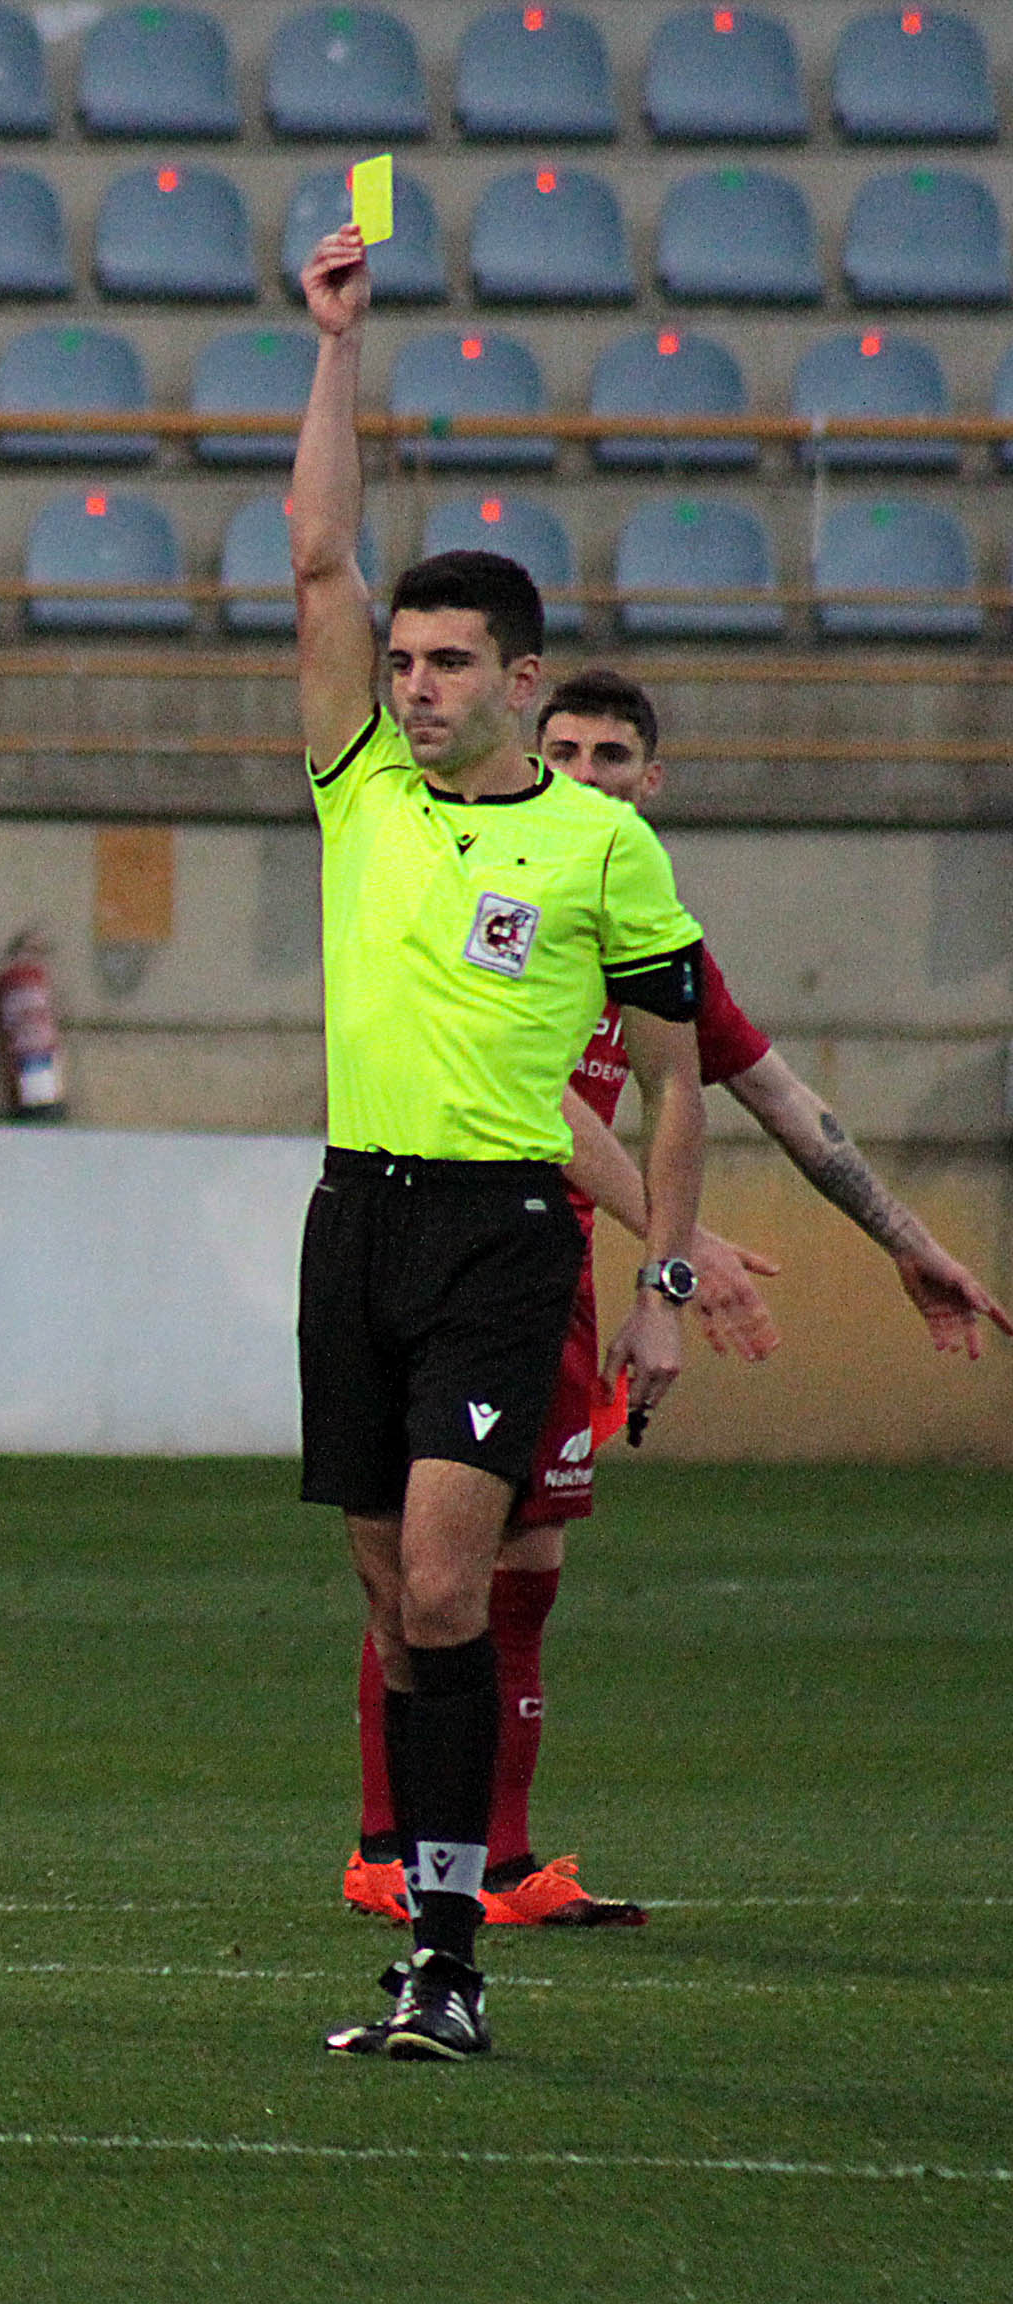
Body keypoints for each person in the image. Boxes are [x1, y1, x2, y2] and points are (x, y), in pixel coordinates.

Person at [341, 671, 1013, 1928]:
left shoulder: (653, 939)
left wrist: (908, 1243)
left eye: (613, 756)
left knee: (525, 1561)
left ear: (654, 784)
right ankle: (399, 1847)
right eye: (567, 751)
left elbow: (778, 1095)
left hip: (555, 1268)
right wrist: (681, 1247)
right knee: (438, 1566)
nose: (590, 774)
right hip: (464, 1251)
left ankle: (498, 1859)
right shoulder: (502, 898)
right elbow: (520, 1107)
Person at [288, 224, 714, 2062]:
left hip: (499, 1234)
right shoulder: (360, 792)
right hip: (353, 1223)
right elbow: (313, 547)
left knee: (455, 1582)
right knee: (393, 1596)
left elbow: (682, 1079)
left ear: (524, 683)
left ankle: (448, 1955)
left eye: (448, 662)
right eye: (398, 656)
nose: (411, 683)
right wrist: (335, 346)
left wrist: (667, 1286)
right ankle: (431, 1919)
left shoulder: (602, 848)